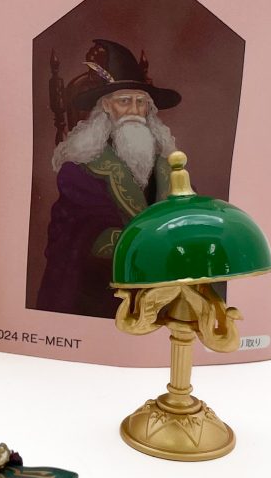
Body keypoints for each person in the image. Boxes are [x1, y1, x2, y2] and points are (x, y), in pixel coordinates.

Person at [36, 39, 181, 318]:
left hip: (164, 281)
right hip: (102, 287)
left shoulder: (168, 165)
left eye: (141, 102)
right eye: (124, 101)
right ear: (106, 107)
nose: (134, 110)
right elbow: (74, 235)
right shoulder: (80, 169)